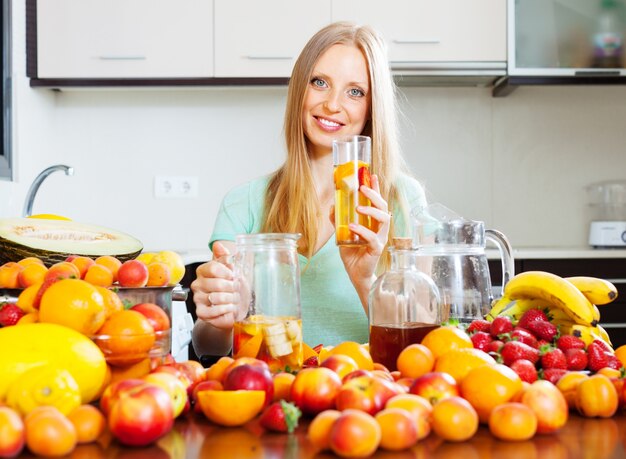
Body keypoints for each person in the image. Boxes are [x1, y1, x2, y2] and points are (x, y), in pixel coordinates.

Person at [191, 21, 427, 357]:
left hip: (368, 401)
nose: (332, 104)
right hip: (273, 396)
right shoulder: (242, 203)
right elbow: (208, 346)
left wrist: (365, 281)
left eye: (355, 91)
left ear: (373, 108)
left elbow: (421, 349)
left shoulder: (404, 201)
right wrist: (219, 318)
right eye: (320, 82)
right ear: (299, 89)